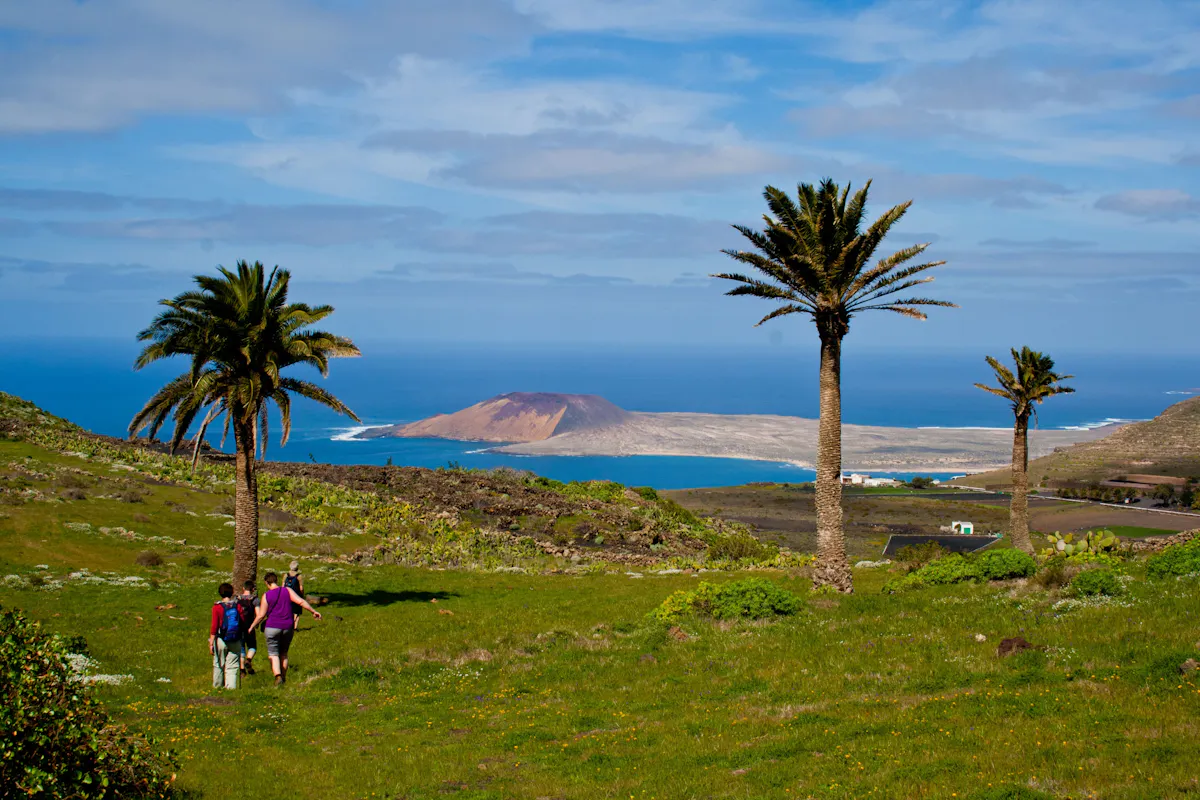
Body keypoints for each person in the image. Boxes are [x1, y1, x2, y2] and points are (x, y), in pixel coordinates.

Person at [249, 571, 321, 686]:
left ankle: (277, 676)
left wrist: (252, 626)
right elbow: (301, 601)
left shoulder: (266, 596)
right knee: (284, 653)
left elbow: (261, 615)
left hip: (272, 627)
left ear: (266, 583)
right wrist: (313, 611)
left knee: (273, 653)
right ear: (276, 580)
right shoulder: (287, 590)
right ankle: (283, 677)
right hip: (288, 626)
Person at [209, 582, 246, 690]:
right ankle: (231, 689)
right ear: (232, 593)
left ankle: (217, 688)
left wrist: (211, 642)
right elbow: (242, 622)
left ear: (220, 593)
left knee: (218, 663)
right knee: (233, 666)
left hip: (221, 639)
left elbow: (214, 626)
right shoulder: (237, 606)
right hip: (235, 639)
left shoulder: (217, 607)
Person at [237, 580, 258, 676]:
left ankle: (242, 671)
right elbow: (258, 615)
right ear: (253, 589)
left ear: (243, 588)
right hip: (250, 626)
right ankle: (248, 660)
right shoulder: (255, 599)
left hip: (239, 626)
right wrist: (255, 624)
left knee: (241, 648)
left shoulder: (236, 599)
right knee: (252, 646)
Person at [284, 561, 305, 628]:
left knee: (288, 611)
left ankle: (287, 625)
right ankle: (295, 627)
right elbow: (301, 588)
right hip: (296, 596)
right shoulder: (299, 576)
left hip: (287, 595)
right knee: (297, 612)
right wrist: (302, 595)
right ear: (297, 567)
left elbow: (282, 586)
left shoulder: (286, 575)